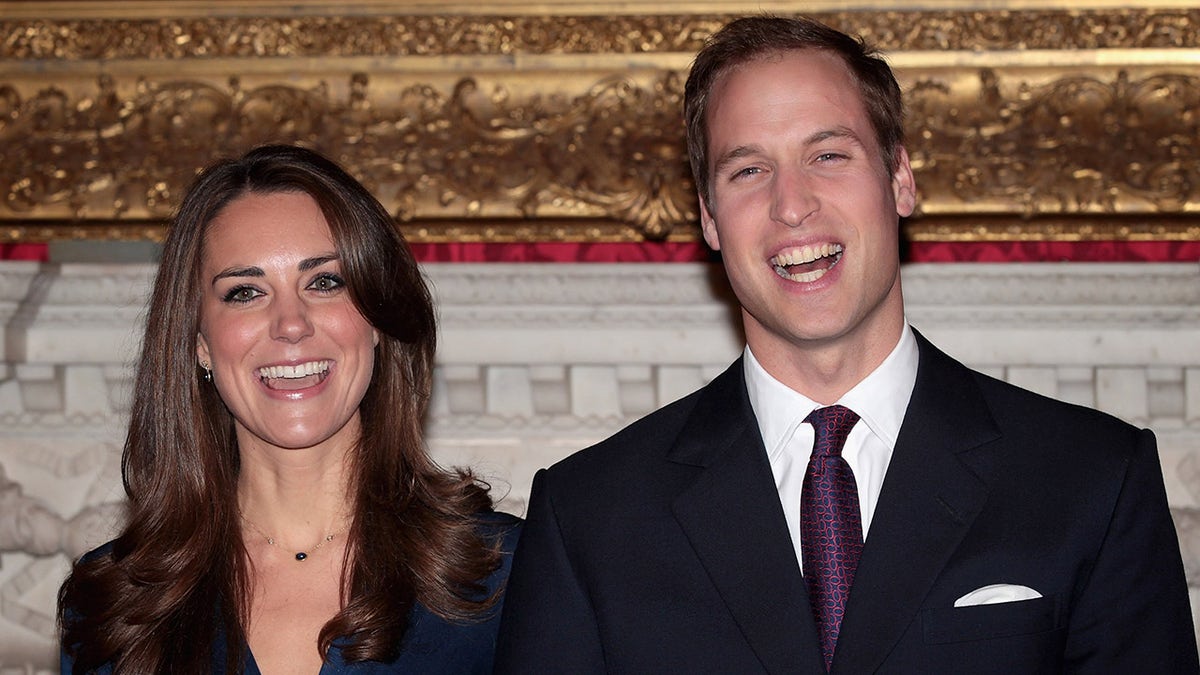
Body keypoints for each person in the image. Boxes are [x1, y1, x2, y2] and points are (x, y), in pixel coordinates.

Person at [494, 15, 1198, 674]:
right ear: (708, 217)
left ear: (900, 179)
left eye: (828, 154)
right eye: (748, 170)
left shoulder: (1093, 481)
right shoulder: (589, 516)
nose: (791, 204)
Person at [58, 144, 519, 674]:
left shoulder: (508, 575)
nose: (291, 324)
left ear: (375, 319)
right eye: (245, 292)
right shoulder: (112, 606)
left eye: (325, 282)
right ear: (199, 341)